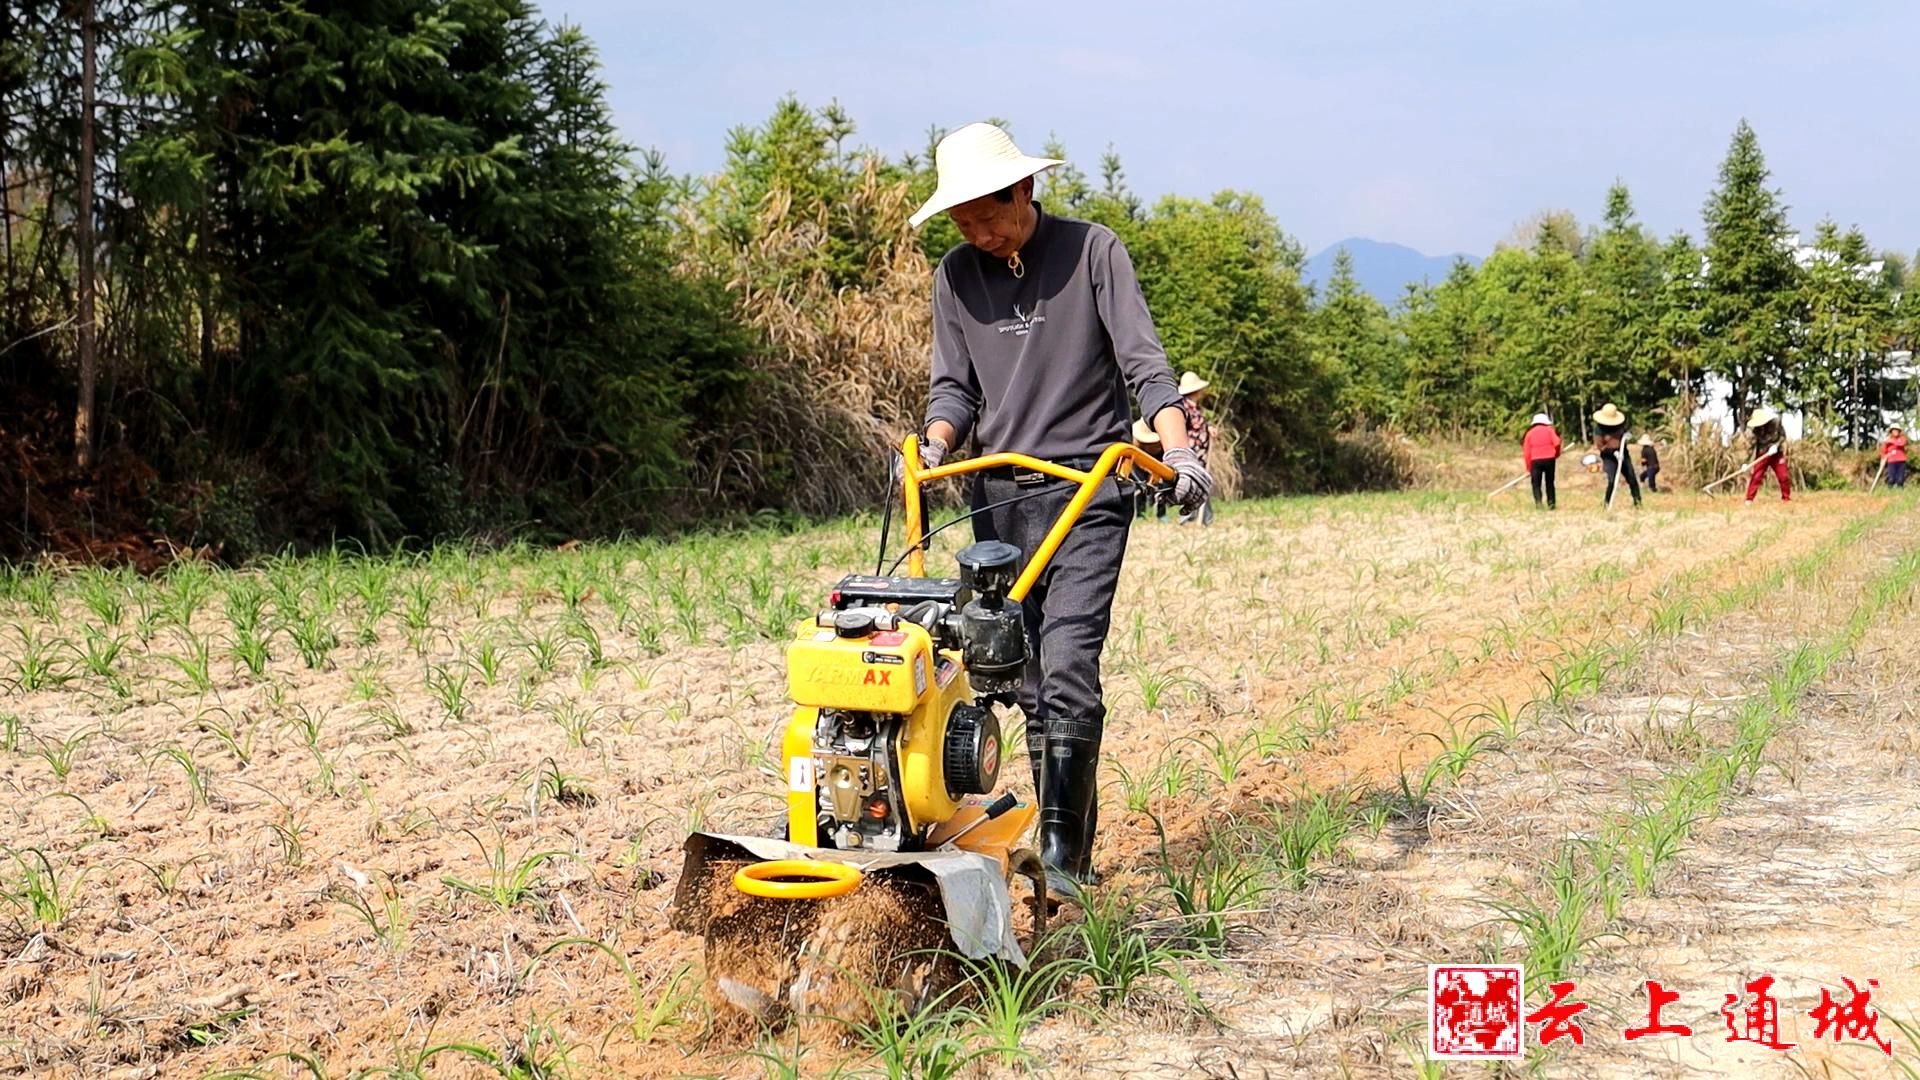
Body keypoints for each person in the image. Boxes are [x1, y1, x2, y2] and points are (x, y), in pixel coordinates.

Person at [912, 122, 1211, 899]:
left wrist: (1178, 451)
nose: (978, 232)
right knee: (1026, 679)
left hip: (1086, 490)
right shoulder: (954, 276)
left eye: (989, 214)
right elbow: (954, 388)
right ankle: (1054, 829)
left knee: (1072, 662)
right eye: (964, 220)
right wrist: (936, 443)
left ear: (1026, 191)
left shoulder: (1092, 251)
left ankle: (1066, 862)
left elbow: (1144, 364)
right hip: (1000, 499)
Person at [1175, 371, 1215, 526]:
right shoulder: (1185, 408)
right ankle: (1190, 518)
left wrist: (1209, 428)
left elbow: (1200, 426)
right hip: (1193, 453)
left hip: (1200, 454)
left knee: (1202, 483)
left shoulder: (1195, 408)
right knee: (1195, 483)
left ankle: (1205, 519)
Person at [1592, 403, 1641, 508]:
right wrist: (1613, 452)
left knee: (1631, 478)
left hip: (1623, 453)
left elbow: (1625, 433)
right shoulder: (1599, 429)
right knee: (1612, 480)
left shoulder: (1619, 425)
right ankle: (1606, 504)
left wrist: (1628, 435)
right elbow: (1600, 446)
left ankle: (1638, 502)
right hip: (1609, 457)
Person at [1744, 407, 1790, 503]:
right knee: (1756, 476)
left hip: (1776, 453)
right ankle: (1749, 499)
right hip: (1762, 453)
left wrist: (1776, 446)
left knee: (1784, 476)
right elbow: (1751, 447)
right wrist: (1746, 463)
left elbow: (1782, 436)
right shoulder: (1755, 430)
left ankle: (1786, 498)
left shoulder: (1776, 423)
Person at [1521, 412, 1561, 509]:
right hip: (1550, 459)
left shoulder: (1529, 433)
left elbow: (1527, 452)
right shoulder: (1549, 430)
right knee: (1550, 482)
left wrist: (1528, 468)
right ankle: (1551, 504)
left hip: (1535, 460)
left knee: (1536, 483)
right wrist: (1556, 453)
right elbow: (1557, 442)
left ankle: (1538, 504)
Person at [1129, 417, 1165, 519]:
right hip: (1139, 463)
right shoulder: (1134, 443)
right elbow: (1136, 461)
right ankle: (1140, 514)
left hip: (1159, 463)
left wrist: (1156, 473)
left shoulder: (1164, 443)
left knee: (1161, 487)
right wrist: (1148, 471)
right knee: (1140, 487)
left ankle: (1161, 514)